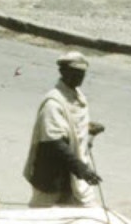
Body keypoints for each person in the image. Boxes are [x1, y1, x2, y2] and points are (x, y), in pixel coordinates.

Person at [22, 51, 103, 208]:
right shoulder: (53, 103)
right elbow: (55, 143)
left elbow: (72, 129)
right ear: (62, 72)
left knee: (86, 215)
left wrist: (89, 129)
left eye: (81, 74)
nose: (78, 78)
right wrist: (82, 170)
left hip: (74, 175)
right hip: (53, 176)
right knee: (43, 220)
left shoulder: (77, 97)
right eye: (74, 73)